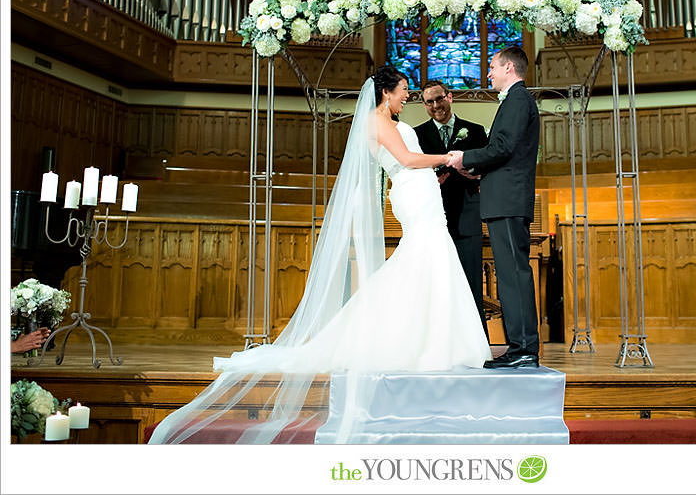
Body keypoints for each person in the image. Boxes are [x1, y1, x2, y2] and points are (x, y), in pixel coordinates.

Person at [148, 66, 490, 444]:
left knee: (428, 261)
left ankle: (432, 336)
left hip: (422, 192)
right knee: (424, 258)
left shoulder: (387, 121)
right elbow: (407, 161)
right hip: (413, 193)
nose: (407, 96)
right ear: (385, 93)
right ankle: (419, 339)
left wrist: (437, 171)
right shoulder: (376, 124)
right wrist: (447, 158)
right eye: (404, 91)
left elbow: (409, 160)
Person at [447, 46, 540, 369]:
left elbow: (503, 146)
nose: (488, 73)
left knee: (514, 274)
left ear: (509, 68)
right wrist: (477, 168)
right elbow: (506, 152)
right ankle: (520, 347)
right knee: (510, 274)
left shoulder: (517, 100)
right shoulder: (516, 100)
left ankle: (524, 348)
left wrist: (466, 157)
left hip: (509, 199)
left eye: (492, 67)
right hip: (505, 196)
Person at [415, 80, 490, 335]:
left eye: (440, 99)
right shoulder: (416, 135)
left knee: (470, 282)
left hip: (468, 213)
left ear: (450, 97)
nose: (436, 106)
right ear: (424, 105)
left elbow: (485, 169)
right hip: (432, 217)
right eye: (430, 102)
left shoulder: (475, 131)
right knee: (434, 284)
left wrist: (468, 172)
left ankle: (476, 343)